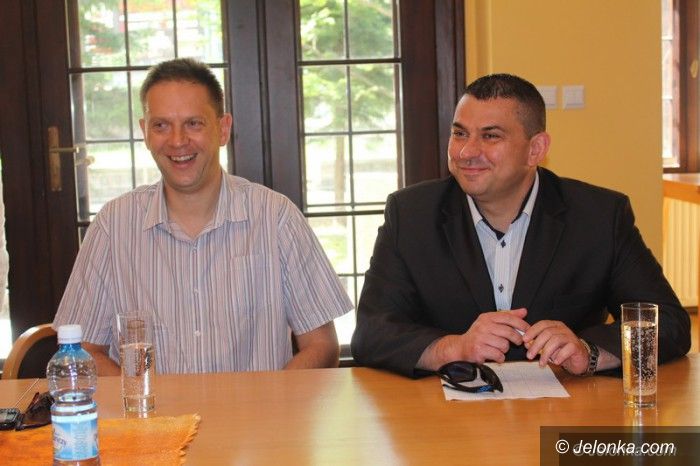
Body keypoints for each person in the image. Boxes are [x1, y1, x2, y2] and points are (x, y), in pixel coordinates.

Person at [351, 73, 690, 377]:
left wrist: (587, 352)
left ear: (535, 149)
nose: (467, 151)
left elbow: (668, 322)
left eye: (490, 136)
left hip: (565, 413)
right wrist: (455, 347)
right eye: (459, 134)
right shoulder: (412, 215)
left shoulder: (599, 216)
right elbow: (371, 333)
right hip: (443, 410)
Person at [53, 58, 353, 375]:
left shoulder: (276, 217)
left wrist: (274, 400)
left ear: (223, 129)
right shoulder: (113, 225)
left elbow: (321, 346)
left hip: (257, 407)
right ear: (145, 132)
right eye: (161, 125)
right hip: (152, 408)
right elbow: (83, 349)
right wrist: (137, 400)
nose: (177, 141)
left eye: (194, 123)